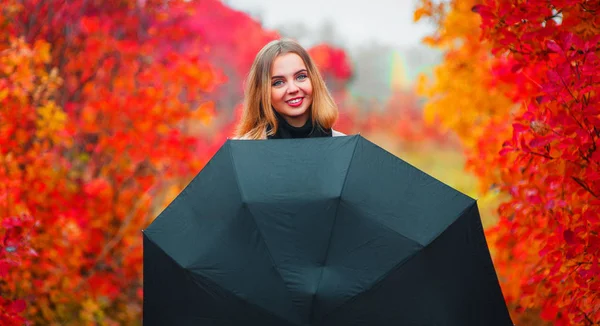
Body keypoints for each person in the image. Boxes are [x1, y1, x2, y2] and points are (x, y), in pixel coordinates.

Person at [233, 38, 346, 139]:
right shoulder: (245, 151)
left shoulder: (344, 148)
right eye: (278, 82)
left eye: (301, 77)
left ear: (314, 80)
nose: (292, 89)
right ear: (262, 93)